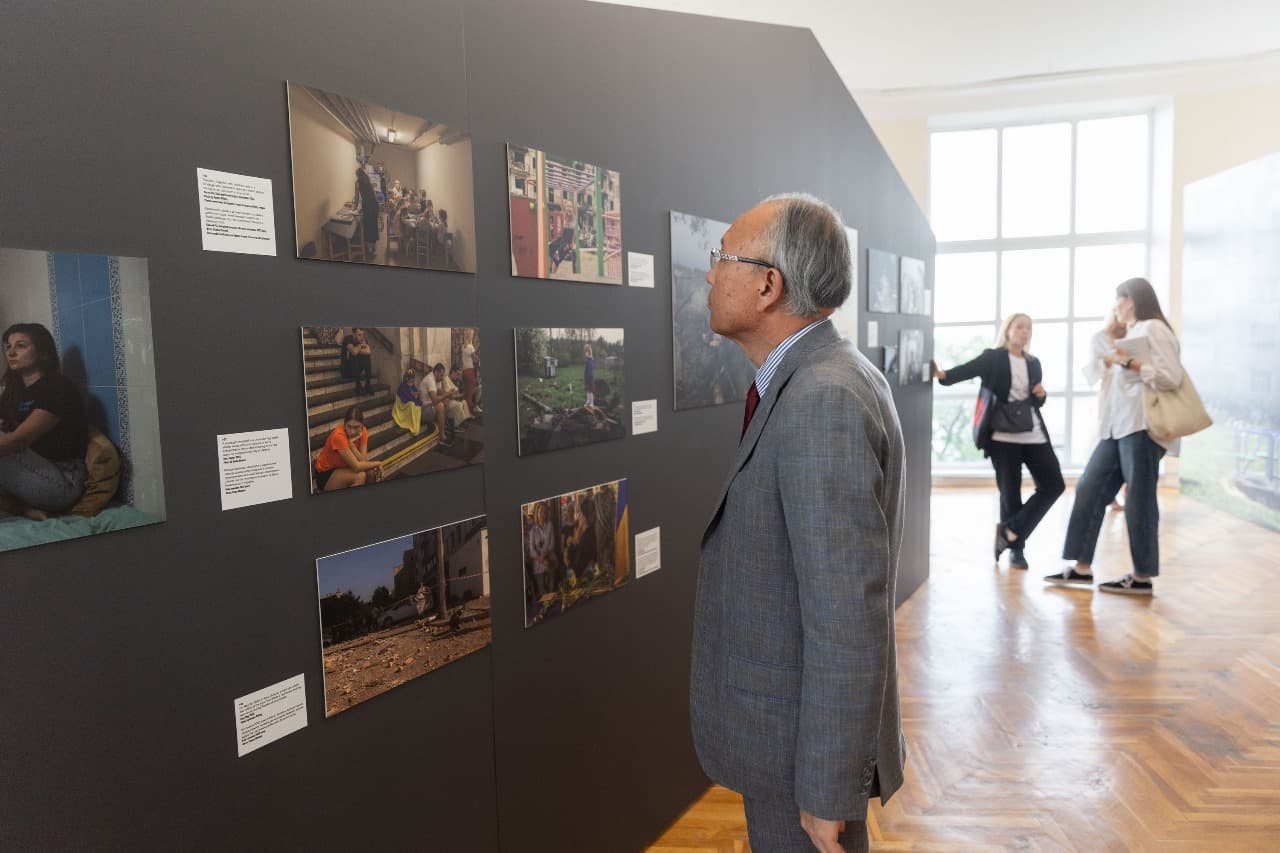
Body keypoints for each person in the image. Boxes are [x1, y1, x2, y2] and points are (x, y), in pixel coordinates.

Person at [690, 194, 905, 853]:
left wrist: (827, 786)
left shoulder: (822, 398)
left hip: (798, 751)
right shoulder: (817, 378)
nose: (709, 273)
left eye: (722, 257)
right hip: (785, 732)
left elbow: (847, 617)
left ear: (768, 285)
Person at [1047, 278, 1184, 596]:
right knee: (1089, 487)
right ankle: (1081, 568)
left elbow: (1171, 377)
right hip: (1116, 428)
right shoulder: (1132, 333)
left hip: (1141, 427)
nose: (1116, 307)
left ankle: (1142, 576)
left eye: (1119, 300)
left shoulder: (1153, 329)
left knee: (1139, 500)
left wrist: (1131, 363)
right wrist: (1122, 362)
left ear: (1131, 300)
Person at [931, 313, 1065, 569]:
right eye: (1019, 327)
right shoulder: (993, 358)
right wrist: (941, 374)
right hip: (1002, 436)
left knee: (1054, 484)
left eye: (1028, 328)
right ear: (1007, 330)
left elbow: (1036, 400)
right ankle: (1016, 549)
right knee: (1010, 493)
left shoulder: (1034, 363)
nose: (1024, 332)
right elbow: (966, 370)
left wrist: (1041, 394)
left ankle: (1010, 531)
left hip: (1032, 432)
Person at [0, 323, 89, 520]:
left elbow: (19, 441)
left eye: (21, 345)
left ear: (43, 353)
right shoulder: (14, 391)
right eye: (8, 347)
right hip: (30, 473)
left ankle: (20, 506)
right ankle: (21, 509)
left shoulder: (57, 387)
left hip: (61, 481)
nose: (11, 352)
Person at [313, 406, 381, 492]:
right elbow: (357, 467)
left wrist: (351, 445)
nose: (352, 431)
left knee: (370, 472)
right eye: (349, 426)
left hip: (344, 467)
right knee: (360, 476)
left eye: (356, 427)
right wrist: (378, 463)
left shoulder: (363, 432)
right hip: (327, 473)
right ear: (344, 424)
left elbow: (363, 460)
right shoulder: (338, 436)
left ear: (362, 425)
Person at [422, 363, 457, 449]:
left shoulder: (437, 379)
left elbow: (441, 393)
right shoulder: (430, 380)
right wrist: (447, 394)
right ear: (436, 372)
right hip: (423, 411)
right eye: (441, 375)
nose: (442, 378)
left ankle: (444, 426)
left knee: (446, 401)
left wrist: (449, 394)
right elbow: (435, 400)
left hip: (430, 407)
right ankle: (442, 438)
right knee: (440, 405)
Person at [527, 502, 557, 598]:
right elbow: (532, 551)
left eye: (545, 512)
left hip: (550, 562)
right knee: (542, 592)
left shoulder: (550, 525)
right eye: (541, 512)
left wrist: (545, 557)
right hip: (539, 567)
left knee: (552, 590)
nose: (543, 514)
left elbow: (552, 545)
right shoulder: (532, 530)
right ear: (537, 513)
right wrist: (543, 560)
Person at [354, 168, 380, 259]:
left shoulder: (357, 183)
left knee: (368, 227)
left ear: (357, 175)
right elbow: (374, 195)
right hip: (374, 205)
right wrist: (377, 207)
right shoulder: (368, 180)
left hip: (367, 206)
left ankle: (369, 249)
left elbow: (356, 198)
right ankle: (374, 249)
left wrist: (354, 209)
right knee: (373, 226)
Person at [340, 328, 373, 396]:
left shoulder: (363, 339)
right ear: (354, 334)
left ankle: (367, 384)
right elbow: (354, 352)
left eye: (363, 335)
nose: (362, 337)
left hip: (356, 369)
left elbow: (368, 351)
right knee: (354, 355)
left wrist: (357, 350)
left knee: (366, 356)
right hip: (346, 370)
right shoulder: (348, 339)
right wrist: (360, 346)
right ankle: (358, 386)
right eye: (359, 335)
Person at [391, 368, 425, 435]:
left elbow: (415, 392)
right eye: (411, 378)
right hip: (402, 405)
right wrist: (414, 397)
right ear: (407, 379)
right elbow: (405, 399)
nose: (412, 380)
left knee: (417, 405)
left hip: (410, 401)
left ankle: (415, 423)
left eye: (413, 378)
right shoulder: (402, 386)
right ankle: (409, 423)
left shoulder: (412, 385)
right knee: (411, 404)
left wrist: (417, 394)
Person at [460, 340, 481, 415]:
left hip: (464, 371)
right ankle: (470, 413)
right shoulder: (470, 347)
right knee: (470, 394)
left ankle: (466, 412)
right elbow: (475, 359)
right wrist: (478, 358)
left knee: (467, 393)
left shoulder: (463, 347)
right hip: (469, 371)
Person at [583, 343, 596, 408]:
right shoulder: (588, 359)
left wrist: (588, 378)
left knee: (590, 390)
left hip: (590, 378)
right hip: (587, 377)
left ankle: (592, 403)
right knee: (587, 390)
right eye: (585, 352)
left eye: (586, 352)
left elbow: (590, 370)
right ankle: (588, 401)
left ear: (589, 352)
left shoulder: (590, 360)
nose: (585, 353)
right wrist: (585, 377)